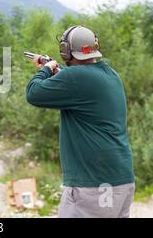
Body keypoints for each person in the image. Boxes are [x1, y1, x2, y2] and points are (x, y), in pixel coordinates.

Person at [26, 25, 135, 218]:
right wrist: (58, 73)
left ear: (66, 51)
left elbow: (33, 93)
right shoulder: (111, 75)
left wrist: (45, 69)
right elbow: (81, 88)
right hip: (121, 180)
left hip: (93, 184)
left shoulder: (74, 77)